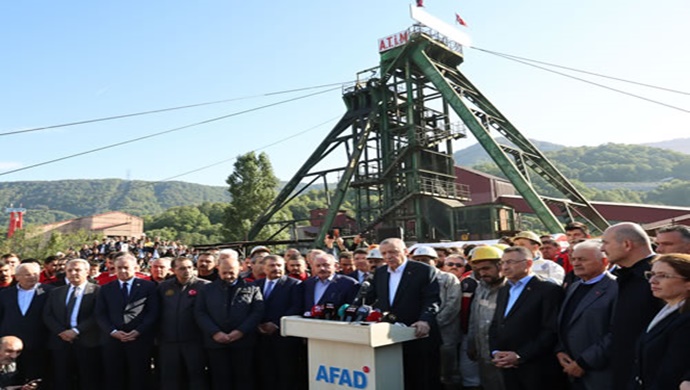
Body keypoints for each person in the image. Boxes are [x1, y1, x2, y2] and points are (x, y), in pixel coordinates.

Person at [364, 238, 441, 390]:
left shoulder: (423, 270)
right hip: (388, 337)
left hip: (417, 335)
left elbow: (432, 300)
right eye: (384, 253)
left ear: (406, 252)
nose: (388, 257)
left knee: (422, 381)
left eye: (393, 252)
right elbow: (369, 299)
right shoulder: (380, 273)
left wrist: (424, 320)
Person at [489, 246, 565, 390]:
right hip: (507, 365)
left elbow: (551, 330)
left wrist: (520, 356)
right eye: (502, 263)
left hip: (537, 368)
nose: (505, 267)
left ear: (528, 263)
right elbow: (497, 324)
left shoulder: (548, 289)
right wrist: (495, 351)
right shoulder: (504, 290)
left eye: (510, 262)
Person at [601, 222, 663, 390]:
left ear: (627, 244)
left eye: (606, 243)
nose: (601, 249)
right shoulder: (625, 276)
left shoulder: (660, 278)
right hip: (624, 372)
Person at [195, 249, 264, 390]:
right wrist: (215, 332)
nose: (228, 275)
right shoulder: (206, 289)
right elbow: (200, 313)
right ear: (218, 269)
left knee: (244, 378)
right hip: (215, 343)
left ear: (240, 268)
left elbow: (257, 312)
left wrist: (240, 331)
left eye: (231, 271)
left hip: (243, 342)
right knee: (220, 379)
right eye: (224, 272)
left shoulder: (252, 288)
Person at [556, 240, 617, 390]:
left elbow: (616, 332)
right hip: (571, 368)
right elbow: (566, 322)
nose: (576, 263)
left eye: (582, 259)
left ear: (604, 261)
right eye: (574, 259)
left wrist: (584, 362)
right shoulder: (575, 286)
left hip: (600, 373)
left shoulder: (616, 288)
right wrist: (560, 350)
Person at [95, 252, 159, 390]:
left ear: (135, 267)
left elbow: (152, 312)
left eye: (126, 267)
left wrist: (138, 331)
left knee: (139, 376)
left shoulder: (148, 286)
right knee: (114, 376)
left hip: (139, 339)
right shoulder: (106, 288)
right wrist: (112, 332)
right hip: (113, 340)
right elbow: (100, 314)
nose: (122, 271)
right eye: (119, 268)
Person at [632, 254, 690, 389]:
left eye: (663, 276)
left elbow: (672, 371)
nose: (652, 280)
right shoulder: (667, 310)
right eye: (651, 274)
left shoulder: (686, 320)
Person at [43, 258, 102, 390]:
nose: (73, 273)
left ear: (87, 271)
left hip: (87, 341)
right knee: (61, 378)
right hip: (60, 342)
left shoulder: (97, 291)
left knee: (88, 378)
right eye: (69, 270)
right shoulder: (56, 292)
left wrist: (76, 331)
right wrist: (61, 331)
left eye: (77, 270)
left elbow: (97, 315)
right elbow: (48, 315)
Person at [411, 246, 462, 386]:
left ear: (435, 261)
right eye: (417, 260)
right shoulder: (413, 280)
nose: (421, 263)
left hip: (445, 332)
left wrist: (431, 323)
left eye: (425, 260)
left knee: (448, 372)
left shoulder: (448, 278)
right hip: (421, 333)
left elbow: (453, 305)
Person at [157, 256, 210, 390]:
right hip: (168, 342)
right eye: (181, 268)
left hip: (194, 341)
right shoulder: (163, 287)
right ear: (173, 270)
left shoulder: (205, 286)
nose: (186, 271)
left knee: (196, 377)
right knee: (170, 378)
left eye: (189, 267)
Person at [253, 255, 303, 390]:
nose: (276, 268)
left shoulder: (294, 284)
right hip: (260, 337)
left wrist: (276, 324)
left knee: (286, 374)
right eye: (272, 265)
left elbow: (296, 307)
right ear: (264, 268)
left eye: (279, 265)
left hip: (283, 338)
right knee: (265, 373)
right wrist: (257, 325)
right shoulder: (255, 285)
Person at [0, 262, 53, 384]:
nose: (33, 277)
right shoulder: (5, 294)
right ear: (17, 276)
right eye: (28, 274)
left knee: (35, 380)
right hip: (10, 348)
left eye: (36, 274)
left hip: (38, 345)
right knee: (11, 379)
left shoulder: (49, 292)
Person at [467, 246, 507, 390]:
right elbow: (474, 317)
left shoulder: (510, 288)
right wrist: (471, 343)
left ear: (500, 265)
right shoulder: (481, 287)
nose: (483, 273)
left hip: (505, 356)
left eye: (486, 268)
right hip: (484, 354)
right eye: (478, 270)